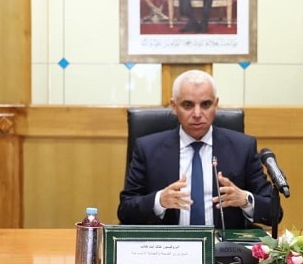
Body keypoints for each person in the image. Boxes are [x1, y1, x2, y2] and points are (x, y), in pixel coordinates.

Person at [118, 70, 279, 229]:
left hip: (224, 244)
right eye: (187, 105)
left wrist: (245, 200)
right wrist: (159, 201)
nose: (197, 114)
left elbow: (274, 213)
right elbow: (125, 210)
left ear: (216, 105)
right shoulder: (148, 149)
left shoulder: (242, 147)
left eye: (205, 104)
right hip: (170, 244)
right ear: (174, 106)